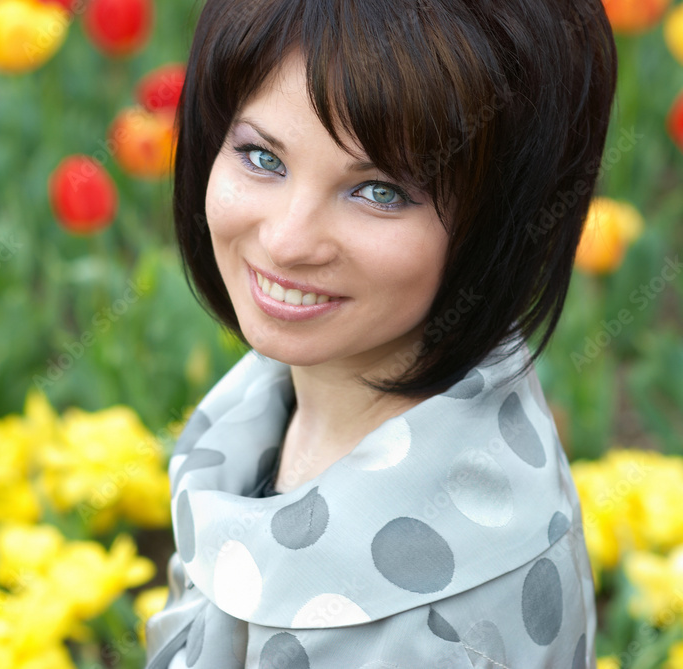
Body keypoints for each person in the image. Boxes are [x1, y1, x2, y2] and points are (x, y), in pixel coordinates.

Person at [144, 0, 617, 667]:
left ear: (501, 221)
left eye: (380, 192)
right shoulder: (273, 406)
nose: (287, 241)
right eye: (262, 157)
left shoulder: (435, 636)